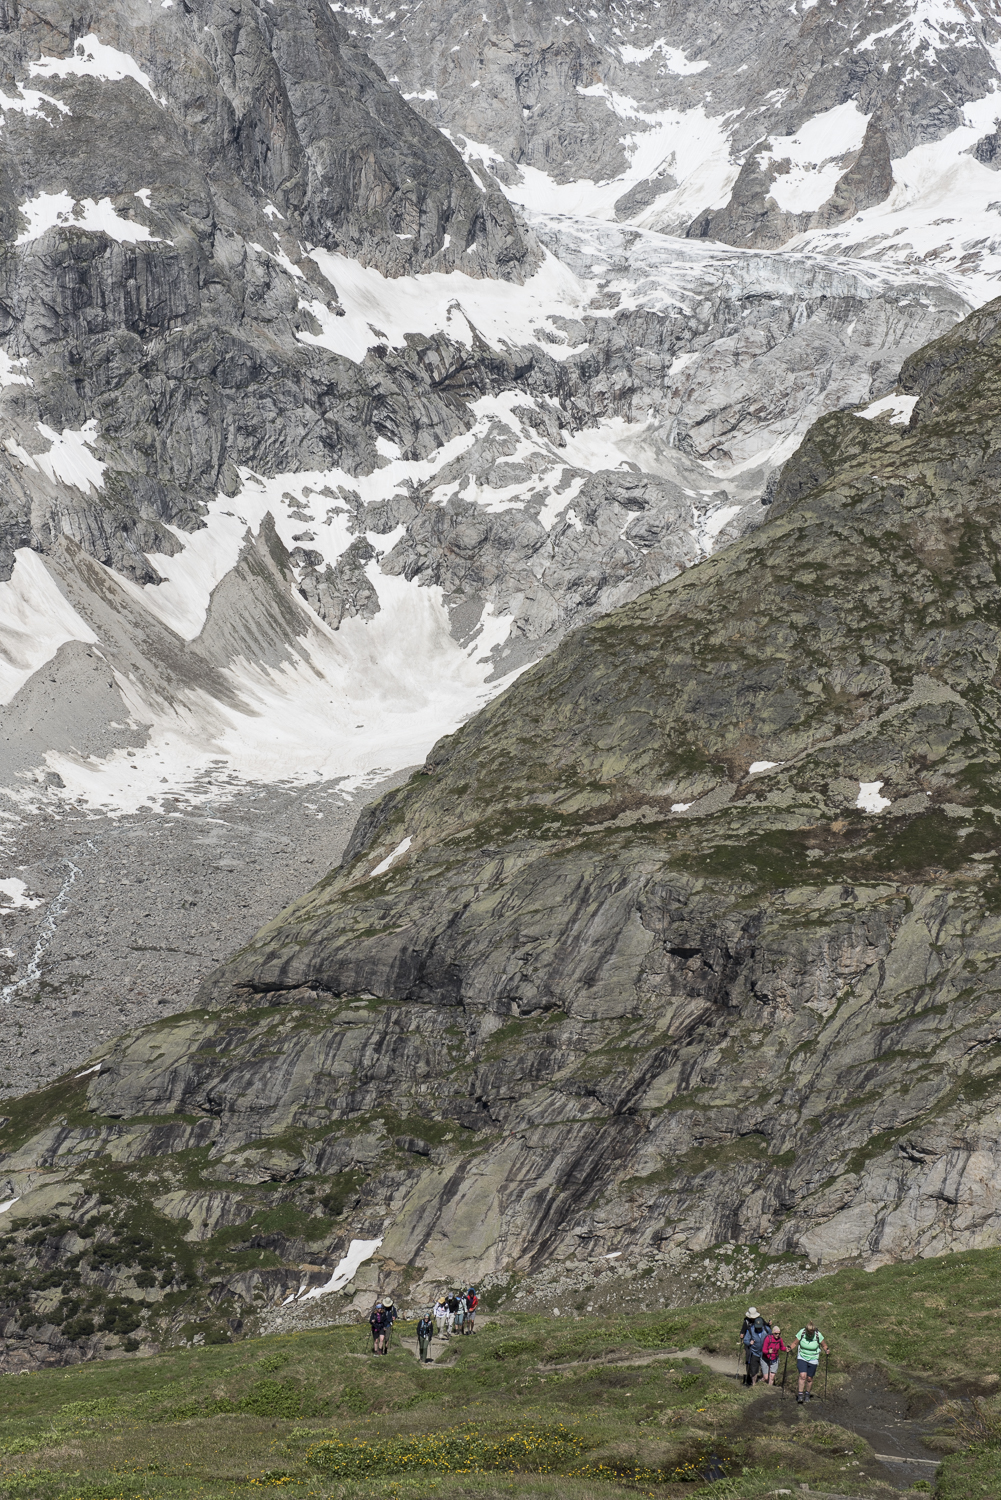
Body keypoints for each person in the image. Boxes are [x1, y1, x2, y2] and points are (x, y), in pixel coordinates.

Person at [793, 1321, 830, 1403]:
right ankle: (800, 1395)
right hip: (802, 1356)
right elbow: (795, 1343)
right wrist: (789, 1348)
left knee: (809, 1378)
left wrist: (826, 1350)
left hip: (813, 1358)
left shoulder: (818, 1335)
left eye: (811, 1332)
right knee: (803, 1375)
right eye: (809, 1332)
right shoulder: (802, 1332)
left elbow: (824, 1345)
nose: (810, 1334)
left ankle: (807, 1394)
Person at [743, 1314, 771, 1385]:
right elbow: (745, 1340)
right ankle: (754, 1384)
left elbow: (772, 1338)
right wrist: (749, 1342)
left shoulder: (767, 1329)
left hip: (764, 1352)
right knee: (754, 1370)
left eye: (759, 1327)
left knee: (764, 1369)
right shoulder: (751, 1330)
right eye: (757, 1327)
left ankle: (763, 1382)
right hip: (754, 1353)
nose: (758, 1329)